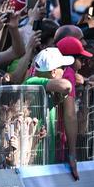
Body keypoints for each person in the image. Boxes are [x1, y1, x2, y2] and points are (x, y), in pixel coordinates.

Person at [25, 47, 79, 180]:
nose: (65, 71)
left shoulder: (45, 85)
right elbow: (66, 86)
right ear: (54, 72)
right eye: (62, 68)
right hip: (32, 156)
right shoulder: (33, 81)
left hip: (44, 155)